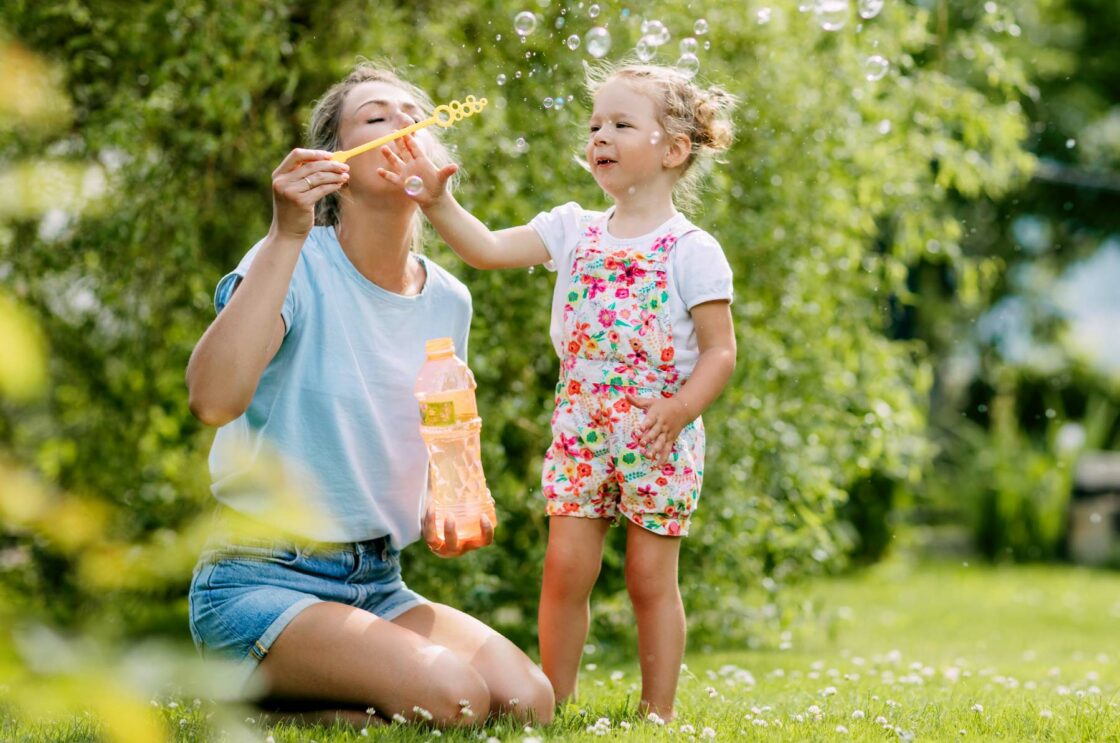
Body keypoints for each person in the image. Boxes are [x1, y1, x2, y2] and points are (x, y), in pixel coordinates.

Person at [184, 61, 554, 727]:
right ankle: (261, 700)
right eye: (376, 117)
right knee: (456, 699)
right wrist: (285, 233)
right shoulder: (291, 261)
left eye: (415, 115)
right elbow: (213, 400)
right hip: (258, 578)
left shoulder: (448, 297)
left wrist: (448, 495)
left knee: (527, 701)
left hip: (377, 581)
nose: (403, 124)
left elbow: (438, 422)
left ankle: (325, 696)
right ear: (336, 166)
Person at [377, 62, 738, 720]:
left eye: (621, 124)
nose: (599, 135)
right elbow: (487, 248)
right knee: (565, 570)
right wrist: (436, 202)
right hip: (580, 430)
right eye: (595, 123)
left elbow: (720, 351)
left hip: (658, 433)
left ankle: (657, 712)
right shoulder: (573, 228)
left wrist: (681, 408)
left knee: (648, 579)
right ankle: (554, 701)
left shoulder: (693, 249)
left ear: (673, 150)